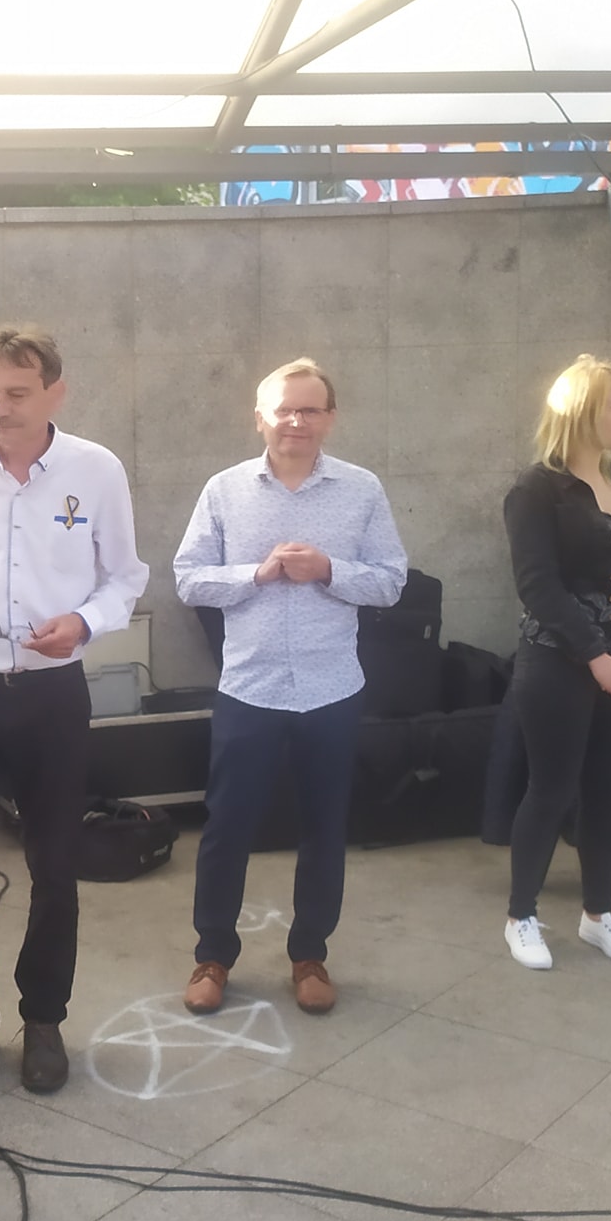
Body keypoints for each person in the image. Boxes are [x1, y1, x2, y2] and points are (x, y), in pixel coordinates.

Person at [0, 324, 148, 1093]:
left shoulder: (96, 471)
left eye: (16, 393)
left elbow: (125, 576)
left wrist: (83, 622)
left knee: (55, 863)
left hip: (52, 695)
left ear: (55, 393)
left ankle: (43, 1016)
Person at [173, 358, 407, 1017]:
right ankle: (212, 956)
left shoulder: (361, 490)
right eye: (284, 409)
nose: (295, 421)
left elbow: (391, 580)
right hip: (249, 687)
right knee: (227, 827)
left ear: (330, 419)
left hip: (331, 689)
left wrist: (329, 569)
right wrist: (257, 574)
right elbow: (188, 579)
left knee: (325, 828)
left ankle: (310, 955)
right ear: (260, 418)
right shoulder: (225, 490)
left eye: (309, 410)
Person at [501, 354, 611, 970]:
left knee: (606, 789)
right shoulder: (536, 489)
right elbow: (538, 587)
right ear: (583, 411)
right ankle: (521, 917)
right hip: (557, 665)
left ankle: (598, 915)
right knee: (550, 791)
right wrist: (597, 656)